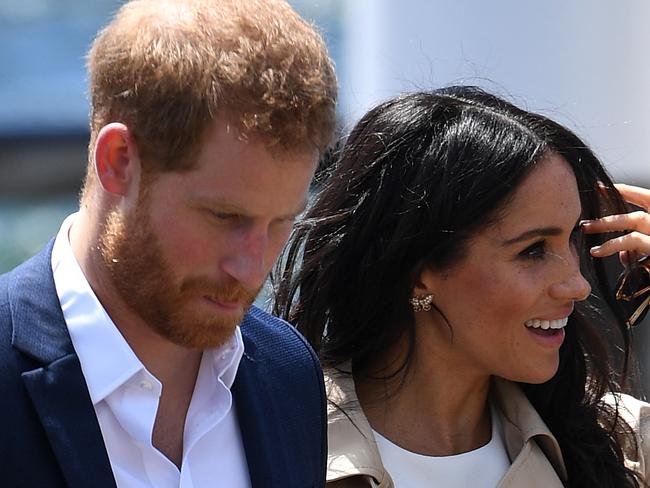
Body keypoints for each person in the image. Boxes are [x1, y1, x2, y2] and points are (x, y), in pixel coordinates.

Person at [0, 0, 336, 486]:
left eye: (282, 222)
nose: (251, 268)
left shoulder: (289, 374)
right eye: (224, 217)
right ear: (118, 162)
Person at [274, 86, 650, 487]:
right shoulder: (274, 441)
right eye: (533, 250)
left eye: (573, 239)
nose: (577, 285)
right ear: (418, 271)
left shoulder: (623, 447)